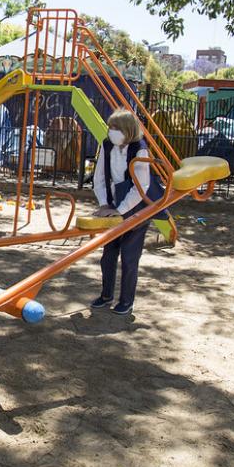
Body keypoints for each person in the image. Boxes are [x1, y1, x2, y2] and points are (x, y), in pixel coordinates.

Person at [89, 108, 151, 315]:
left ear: (127, 130)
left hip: (136, 209)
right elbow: (99, 178)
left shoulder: (139, 150)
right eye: (110, 127)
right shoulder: (107, 146)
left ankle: (127, 301)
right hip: (114, 207)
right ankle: (106, 295)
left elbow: (140, 187)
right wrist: (105, 204)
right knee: (108, 255)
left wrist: (121, 211)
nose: (111, 131)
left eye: (116, 127)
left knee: (129, 256)